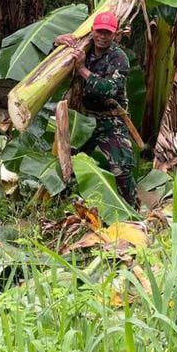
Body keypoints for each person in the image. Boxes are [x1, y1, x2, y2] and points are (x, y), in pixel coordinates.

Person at [57, 11, 140, 209]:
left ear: (114, 35)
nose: (102, 37)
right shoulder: (85, 48)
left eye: (107, 33)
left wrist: (83, 70)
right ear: (93, 31)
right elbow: (53, 63)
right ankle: (65, 205)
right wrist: (57, 41)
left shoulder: (119, 58)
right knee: (71, 161)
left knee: (122, 167)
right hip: (84, 119)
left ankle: (131, 209)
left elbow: (108, 89)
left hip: (110, 118)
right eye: (99, 32)